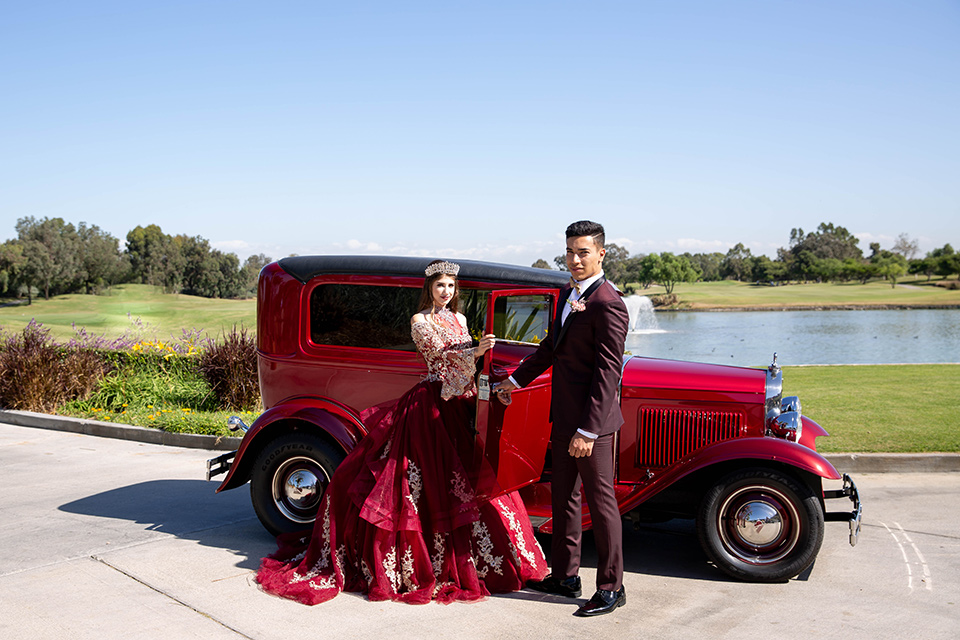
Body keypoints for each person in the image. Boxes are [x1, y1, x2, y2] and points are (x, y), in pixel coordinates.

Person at [256, 259, 547, 605]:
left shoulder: (461, 319)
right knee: (415, 481)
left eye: (451, 286)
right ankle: (420, 562)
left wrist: (477, 361)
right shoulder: (419, 320)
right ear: (430, 288)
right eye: (441, 285)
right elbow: (438, 356)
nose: (446, 292)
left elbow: (466, 362)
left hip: (460, 403)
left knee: (470, 480)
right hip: (431, 402)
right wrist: (475, 350)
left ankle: (476, 558)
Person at [496, 221, 630, 617]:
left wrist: (588, 430)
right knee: (564, 498)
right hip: (565, 418)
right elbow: (550, 347)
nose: (574, 259)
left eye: (583, 252)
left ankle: (611, 587)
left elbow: (609, 373)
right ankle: (565, 576)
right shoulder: (568, 294)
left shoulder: (608, 302)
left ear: (601, 253)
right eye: (570, 252)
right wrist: (515, 380)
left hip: (593, 426)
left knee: (602, 505)